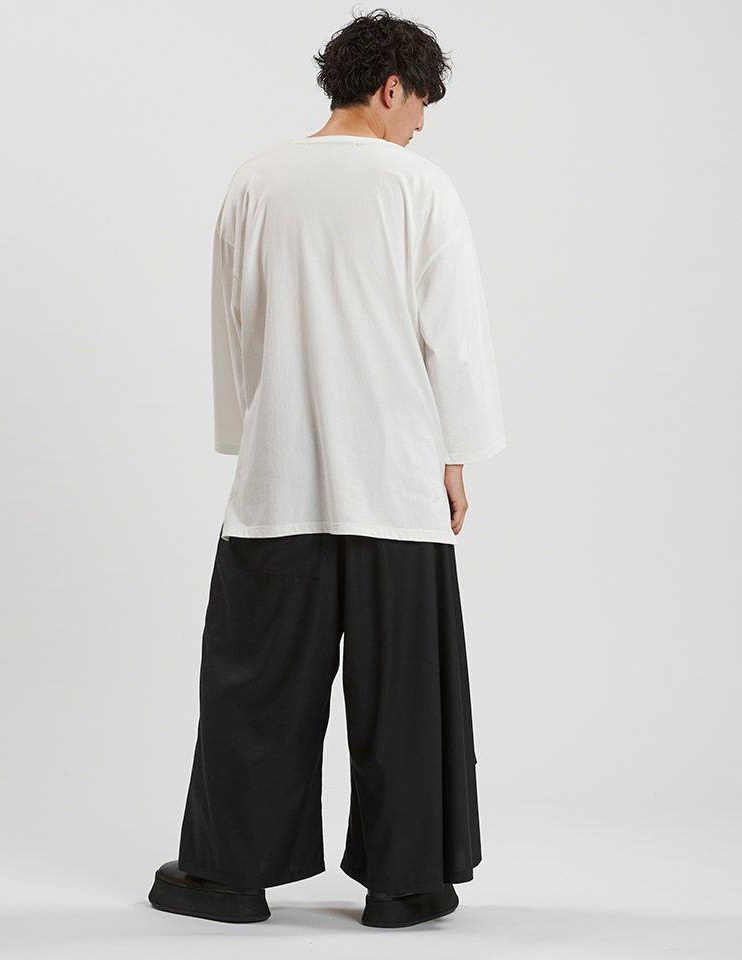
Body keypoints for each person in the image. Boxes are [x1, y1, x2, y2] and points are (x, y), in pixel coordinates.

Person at [148, 8, 507, 929]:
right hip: (396, 480)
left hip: (282, 480)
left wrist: (253, 434)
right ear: (391, 88)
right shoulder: (418, 187)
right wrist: (455, 454)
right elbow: (455, 337)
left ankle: (229, 876)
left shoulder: (255, 181)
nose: (420, 124)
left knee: (256, 685)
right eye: (420, 104)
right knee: (406, 690)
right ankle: (406, 883)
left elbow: (235, 325)